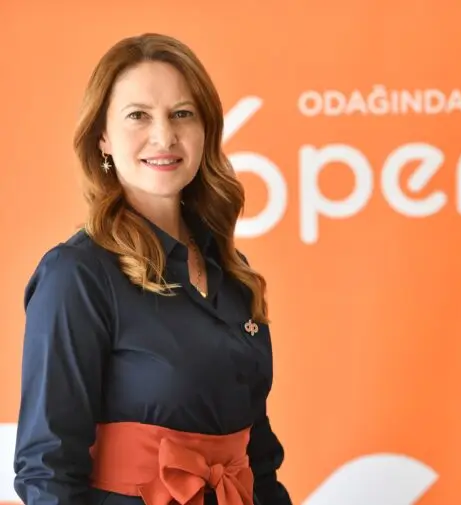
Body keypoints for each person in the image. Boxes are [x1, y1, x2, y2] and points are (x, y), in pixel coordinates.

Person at [12, 33, 292, 505]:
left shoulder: (232, 273)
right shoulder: (77, 276)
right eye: (138, 115)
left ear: (206, 131)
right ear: (102, 136)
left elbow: (259, 463)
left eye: (182, 114)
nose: (164, 136)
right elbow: (47, 471)